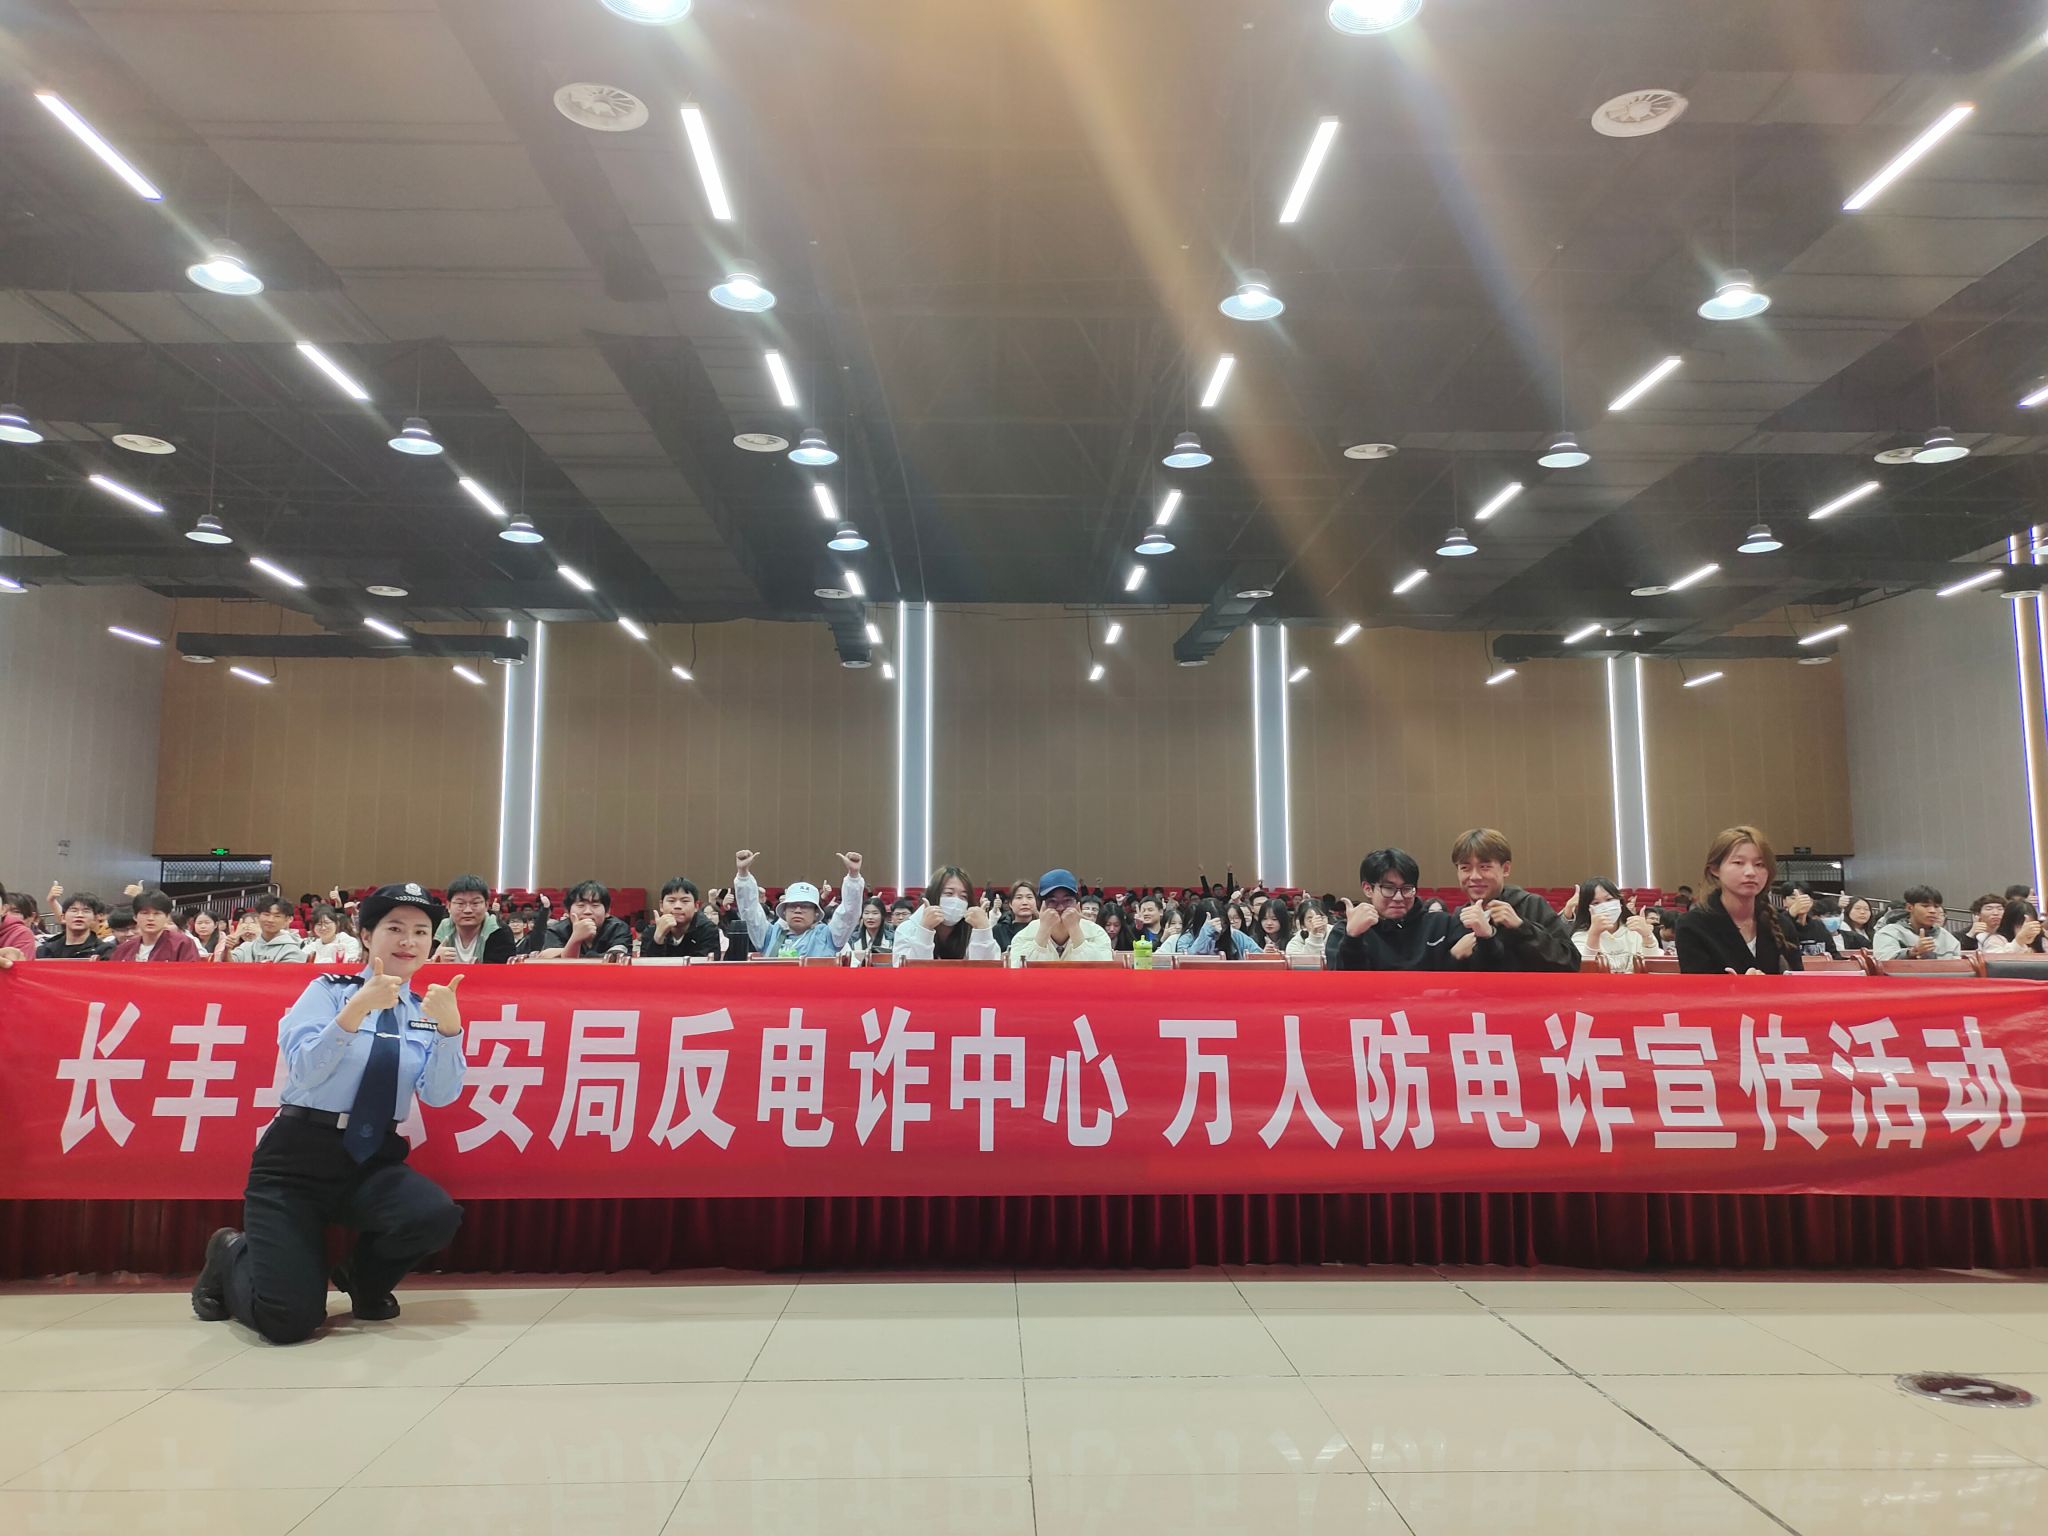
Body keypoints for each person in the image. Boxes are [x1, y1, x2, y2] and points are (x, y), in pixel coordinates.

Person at [189, 883, 467, 1343]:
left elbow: (439, 1096)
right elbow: (305, 1070)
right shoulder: (327, 991)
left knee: (434, 1215)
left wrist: (450, 1031)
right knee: (288, 1322)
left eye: (421, 932)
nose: (409, 941)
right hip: (296, 1163)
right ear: (366, 935)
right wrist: (355, 1011)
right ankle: (230, 1253)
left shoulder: (426, 1011)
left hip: (370, 1160)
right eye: (395, 928)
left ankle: (363, 1280)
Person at [1674, 826, 1802, 974]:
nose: (1751, 872)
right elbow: (1696, 986)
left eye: (1759, 865)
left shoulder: (1782, 924)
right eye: (1738, 863)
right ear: (1715, 869)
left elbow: (1797, 981)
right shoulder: (1692, 925)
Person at [1447, 829, 1577, 972]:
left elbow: (1570, 962)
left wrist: (1521, 927)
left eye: (1484, 867)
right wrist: (1453, 956)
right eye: (1465, 868)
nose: (1475, 876)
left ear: (1505, 869)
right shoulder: (1457, 919)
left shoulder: (1531, 905)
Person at [1328, 849, 1474, 971]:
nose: (1398, 897)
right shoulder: (1345, 932)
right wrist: (1353, 939)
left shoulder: (1443, 925)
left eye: (1407, 889)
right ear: (1368, 889)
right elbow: (1347, 987)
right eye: (1388, 888)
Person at [734, 849, 865, 958]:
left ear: (816, 913)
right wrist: (743, 874)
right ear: (784, 911)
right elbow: (749, 912)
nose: (798, 910)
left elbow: (849, 913)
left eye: (805, 906)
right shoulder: (769, 935)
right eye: (792, 905)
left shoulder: (828, 936)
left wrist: (853, 876)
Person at [893, 866, 1003, 963]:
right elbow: (908, 972)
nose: (956, 901)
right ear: (933, 895)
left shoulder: (972, 928)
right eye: (949, 893)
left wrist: (983, 931)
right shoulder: (907, 929)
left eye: (963, 896)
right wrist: (925, 930)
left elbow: (987, 971)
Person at [1006, 869, 1114, 965]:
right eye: (1052, 901)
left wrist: (1075, 930)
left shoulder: (1096, 933)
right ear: (1041, 906)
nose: (1061, 907)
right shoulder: (1024, 936)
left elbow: (1102, 972)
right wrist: (1043, 931)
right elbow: (1019, 973)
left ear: (1078, 905)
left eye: (1067, 901)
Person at [1570, 878, 1655, 968]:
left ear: (1620, 901)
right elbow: (1584, 968)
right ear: (1587, 909)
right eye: (1596, 903)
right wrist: (1594, 935)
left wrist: (1647, 936)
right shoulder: (1580, 936)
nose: (1604, 906)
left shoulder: (1636, 930)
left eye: (1609, 899)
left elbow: (1654, 967)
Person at [432, 875, 517, 965]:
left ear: (486, 905)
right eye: (460, 903)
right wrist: (436, 959)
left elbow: (501, 971)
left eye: (475, 903)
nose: (467, 910)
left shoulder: (500, 931)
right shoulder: (438, 929)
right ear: (449, 906)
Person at [540, 880, 635, 961]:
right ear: (567, 911)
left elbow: (616, 958)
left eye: (595, 905)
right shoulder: (556, 930)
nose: (588, 912)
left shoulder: (618, 928)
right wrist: (575, 939)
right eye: (580, 905)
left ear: (607, 912)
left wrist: (564, 952)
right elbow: (552, 961)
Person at [108, 889, 205, 961]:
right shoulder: (123, 949)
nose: (151, 918)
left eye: (157, 914)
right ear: (135, 917)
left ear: (167, 917)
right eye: (145, 913)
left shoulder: (182, 944)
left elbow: (190, 976)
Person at [640, 877, 721, 960]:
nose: (677, 906)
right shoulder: (651, 931)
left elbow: (706, 965)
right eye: (671, 901)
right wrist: (658, 939)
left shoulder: (708, 930)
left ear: (696, 906)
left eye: (685, 901)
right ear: (661, 906)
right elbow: (645, 966)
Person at [1874, 886, 1962, 961]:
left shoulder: (1948, 938)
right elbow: (1883, 963)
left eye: (1936, 906)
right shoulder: (1889, 933)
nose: (1933, 911)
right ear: (1909, 907)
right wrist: (1911, 953)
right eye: (1925, 906)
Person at [1157, 896, 1262, 959]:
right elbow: (1187, 963)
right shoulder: (1185, 939)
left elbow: (1258, 956)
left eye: (1223, 924)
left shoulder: (1235, 935)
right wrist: (1204, 936)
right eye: (1214, 925)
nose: (1219, 929)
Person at [227, 896, 307, 964]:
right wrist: (227, 949)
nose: (270, 920)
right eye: (266, 914)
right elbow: (229, 965)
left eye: (277, 916)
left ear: (288, 919)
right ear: (258, 917)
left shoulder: (292, 950)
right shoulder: (247, 946)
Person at [1774, 883, 1840, 959]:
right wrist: (1791, 913)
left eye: (1803, 898)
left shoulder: (1819, 926)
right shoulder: (1776, 923)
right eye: (1793, 898)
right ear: (1784, 901)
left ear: (1811, 901)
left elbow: (1834, 955)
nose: (1799, 902)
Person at [39, 891, 112, 959]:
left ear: (95, 918)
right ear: (63, 917)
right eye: (74, 910)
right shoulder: (45, 950)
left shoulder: (105, 950)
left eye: (86, 911)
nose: (79, 915)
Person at [1980, 900, 2046, 955]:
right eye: (2021, 925)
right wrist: (2019, 941)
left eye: (2031, 925)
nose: (2027, 930)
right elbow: (1996, 963)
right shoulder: (1995, 940)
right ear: (2009, 924)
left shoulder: (2042, 940)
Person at [995, 882, 1038, 950]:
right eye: (1019, 897)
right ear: (1010, 904)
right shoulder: (999, 930)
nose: (1025, 902)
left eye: (1029, 897)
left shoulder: (1042, 928)